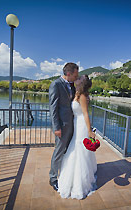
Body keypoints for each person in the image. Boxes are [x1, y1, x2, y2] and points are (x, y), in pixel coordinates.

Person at [58, 75, 97, 199]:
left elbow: (86, 114)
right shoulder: (76, 93)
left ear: (82, 83)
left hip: (81, 126)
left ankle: (80, 183)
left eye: (79, 78)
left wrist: (89, 131)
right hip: (76, 124)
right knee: (74, 149)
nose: (76, 79)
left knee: (79, 151)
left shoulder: (83, 96)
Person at [49, 62, 79, 191]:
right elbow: (53, 108)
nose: (76, 77)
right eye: (75, 75)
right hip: (61, 126)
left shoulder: (72, 85)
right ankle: (53, 178)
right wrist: (56, 128)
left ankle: (65, 174)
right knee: (59, 152)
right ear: (68, 74)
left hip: (72, 124)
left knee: (68, 151)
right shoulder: (56, 84)